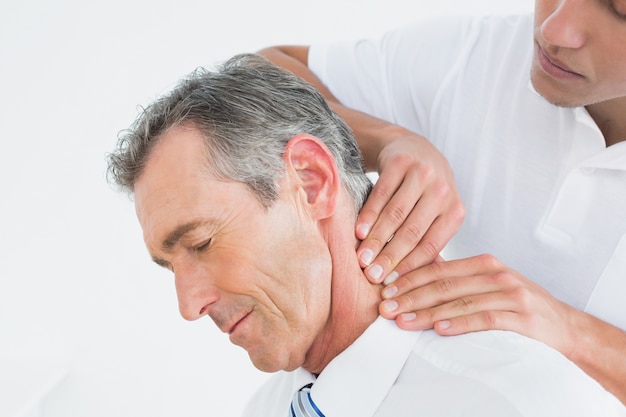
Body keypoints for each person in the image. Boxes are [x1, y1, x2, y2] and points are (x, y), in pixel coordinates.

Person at [106, 53, 626, 416]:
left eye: (201, 244)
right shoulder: (268, 408)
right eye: (170, 265)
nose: (188, 304)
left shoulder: (516, 403)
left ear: (311, 183)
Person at [257, 0, 626, 404]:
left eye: (621, 12)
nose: (555, 30)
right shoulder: (479, 54)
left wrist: (574, 336)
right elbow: (256, 76)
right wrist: (386, 139)